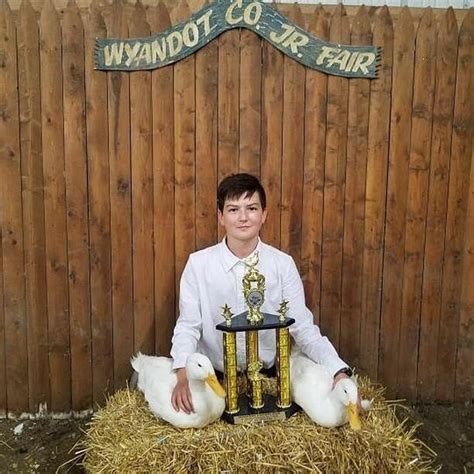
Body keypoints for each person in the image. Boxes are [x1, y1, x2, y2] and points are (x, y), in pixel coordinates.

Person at [170, 173, 353, 414]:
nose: (243, 217)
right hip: (216, 379)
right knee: (186, 413)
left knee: (330, 409)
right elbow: (188, 326)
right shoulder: (198, 264)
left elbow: (303, 328)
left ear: (264, 214)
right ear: (220, 217)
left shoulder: (282, 264)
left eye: (252, 208)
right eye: (233, 209)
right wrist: (182, 375)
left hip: (269, 380)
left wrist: (338, 371)